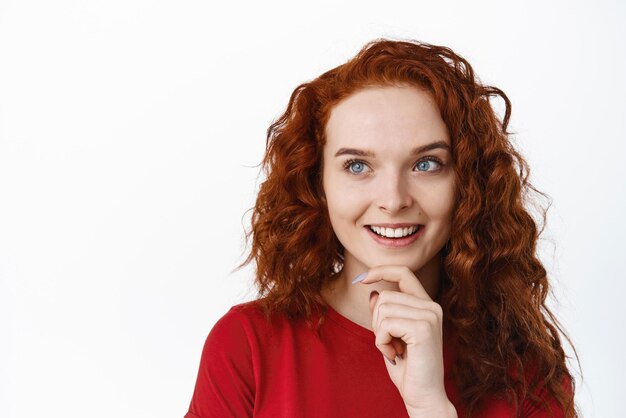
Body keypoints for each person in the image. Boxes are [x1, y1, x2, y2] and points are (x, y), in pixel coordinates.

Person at [184, 38, 579, 418]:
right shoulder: (247, 345)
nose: (393, 200)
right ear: (316, 183)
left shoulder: (524, 368)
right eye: (358, 166)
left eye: (426, 164)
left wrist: (430, 409)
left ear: (469, 183)